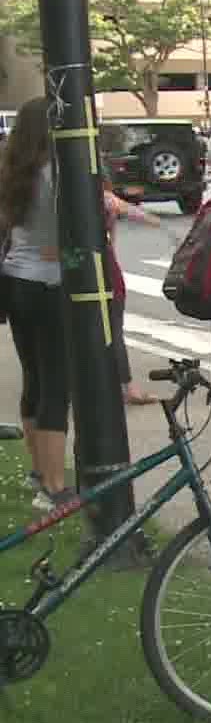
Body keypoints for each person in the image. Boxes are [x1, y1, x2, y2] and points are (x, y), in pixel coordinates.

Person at [1, 99, 75, 512]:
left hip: (17, 280)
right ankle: (55, 485)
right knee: (56, 386)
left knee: (33, 379)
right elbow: (72, 230)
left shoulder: (15, 171)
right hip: (50, 283)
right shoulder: (56, 174)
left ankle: (38, 470)